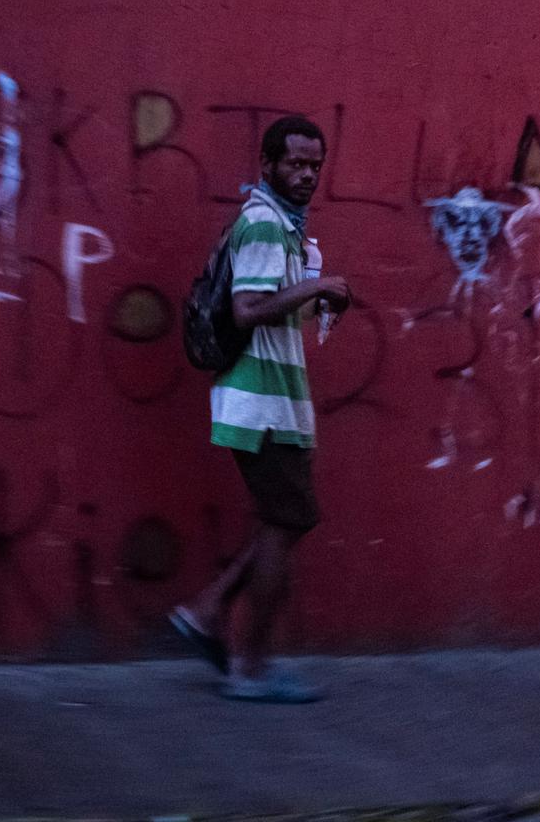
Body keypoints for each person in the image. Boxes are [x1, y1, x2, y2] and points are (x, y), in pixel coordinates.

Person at [171, 115, 350, 702]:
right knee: (290, 519)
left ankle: (207, 610)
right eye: (295, 164)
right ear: (267, 166)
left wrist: (312, 287)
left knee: (283, 519)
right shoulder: (265, 223)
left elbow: (278, 312)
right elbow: (248, 309)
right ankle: (251, 666)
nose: (306, 175)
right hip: (260, 401)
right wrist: (320, 288)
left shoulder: (288, 230)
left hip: (274, 397)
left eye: (314, 165)